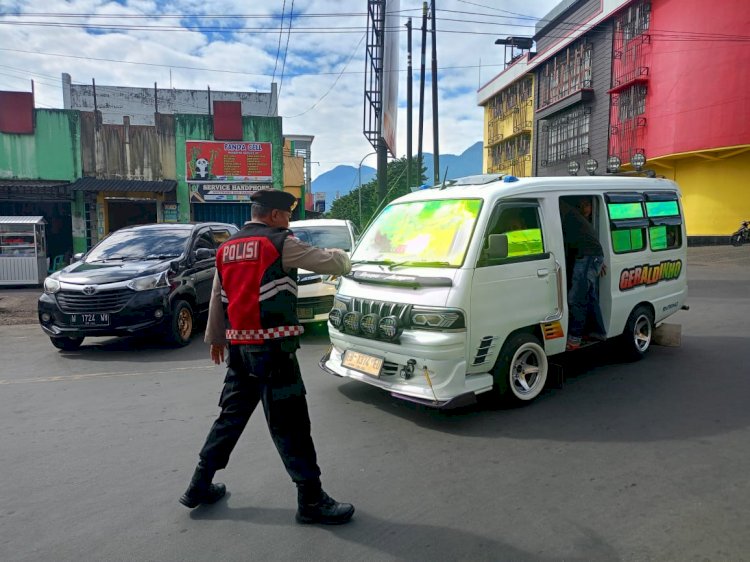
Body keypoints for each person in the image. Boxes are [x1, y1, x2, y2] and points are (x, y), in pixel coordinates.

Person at [180, 189, 355, 525]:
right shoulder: (279, 242)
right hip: (275, 352)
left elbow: (218, 296)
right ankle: (312, 500)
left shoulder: (227, 248)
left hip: (240, 353)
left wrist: (216, 338)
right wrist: (344, 257)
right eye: (287, 215)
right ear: (274, 215)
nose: (288, 220)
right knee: (292, 426)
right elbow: (331, 262)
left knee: (229, 420)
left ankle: (198, 485)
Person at [561, 197, 607, 351]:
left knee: (576, 298)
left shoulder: (564, 212)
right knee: (589, 296)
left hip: (589, 256)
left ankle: (574, 339)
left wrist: (596, 261)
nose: (586, 209)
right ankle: (597, 332)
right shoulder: (572, 216)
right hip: (591, 256)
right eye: (583, 205)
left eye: (587, 205)